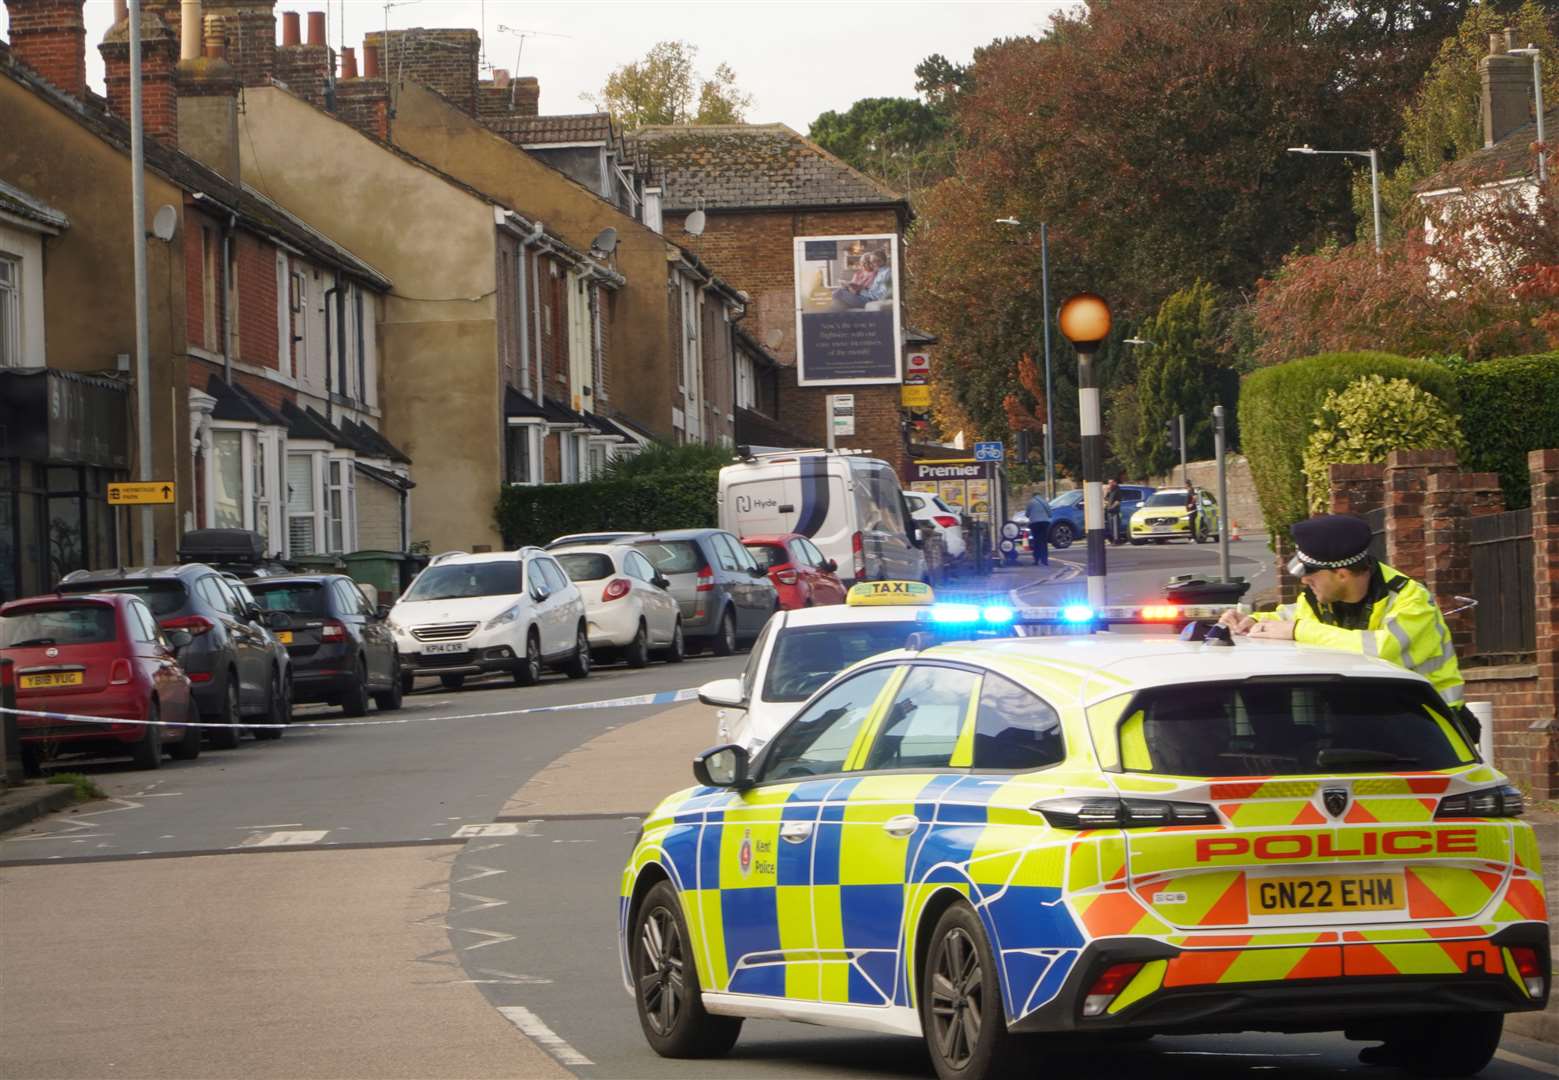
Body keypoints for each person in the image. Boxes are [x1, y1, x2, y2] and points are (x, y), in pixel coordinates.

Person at [1218, 513, 1468, 725]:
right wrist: (1251, 619)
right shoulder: (1320, 600)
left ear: (1342, 574)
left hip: (1434, 727)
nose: (1304, 580)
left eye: (1311, 573)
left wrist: (1299, 631)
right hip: (1373, 725)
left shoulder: (1411, 600)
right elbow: (1287, 616)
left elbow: (1384, 650)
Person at [1024, 491, 1051, 567]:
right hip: (1045, 523)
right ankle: (1045, 561)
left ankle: (1036, 560)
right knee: (1044, 541)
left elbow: (1027, 514)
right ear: (1040, 495)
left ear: (1033, 496)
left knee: (1036, 541)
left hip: (1035, 524)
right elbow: (1050, 514)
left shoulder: (1031, 502)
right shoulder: (1044, 502)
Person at [1103, 479, 1122, 544]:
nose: (1110, 484)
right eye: (1109, 483)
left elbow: (1118, 501)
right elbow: (1105, 499)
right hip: (1109, 512)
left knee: (1115, 527)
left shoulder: (1117, 490)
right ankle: (1113, 539)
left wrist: (1111, 507)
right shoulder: (1111, 490)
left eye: (1111, 482)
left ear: (1115, 482)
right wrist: (1107, 491)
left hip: (1115, 512)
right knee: (1111, 527)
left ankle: (1117, 540)